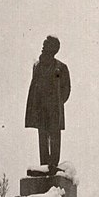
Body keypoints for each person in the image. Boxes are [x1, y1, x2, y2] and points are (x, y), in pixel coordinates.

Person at [25, 36, 71, 172]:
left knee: (55, 136)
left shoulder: (61, 67)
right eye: (43, 44)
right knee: (42, 136)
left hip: (54, 109)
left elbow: (66, 89)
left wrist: (56, 102)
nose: (43, 46)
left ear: (54, 49)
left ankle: (53, 164)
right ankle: (44, 165)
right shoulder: (37, 66)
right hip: (40, 108)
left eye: (46, 45)